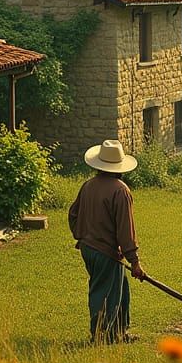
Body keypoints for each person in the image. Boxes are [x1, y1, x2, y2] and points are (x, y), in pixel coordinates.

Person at [68, 139, 147, 343]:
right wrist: (135, 261)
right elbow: (125, 230)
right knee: (104, 293)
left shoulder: (88, 185)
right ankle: (102, 336)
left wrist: (82, 235)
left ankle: (120, 333)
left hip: (89, 249)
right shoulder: (120, 190)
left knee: (121, 290)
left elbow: (73, 214)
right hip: (104, 252)